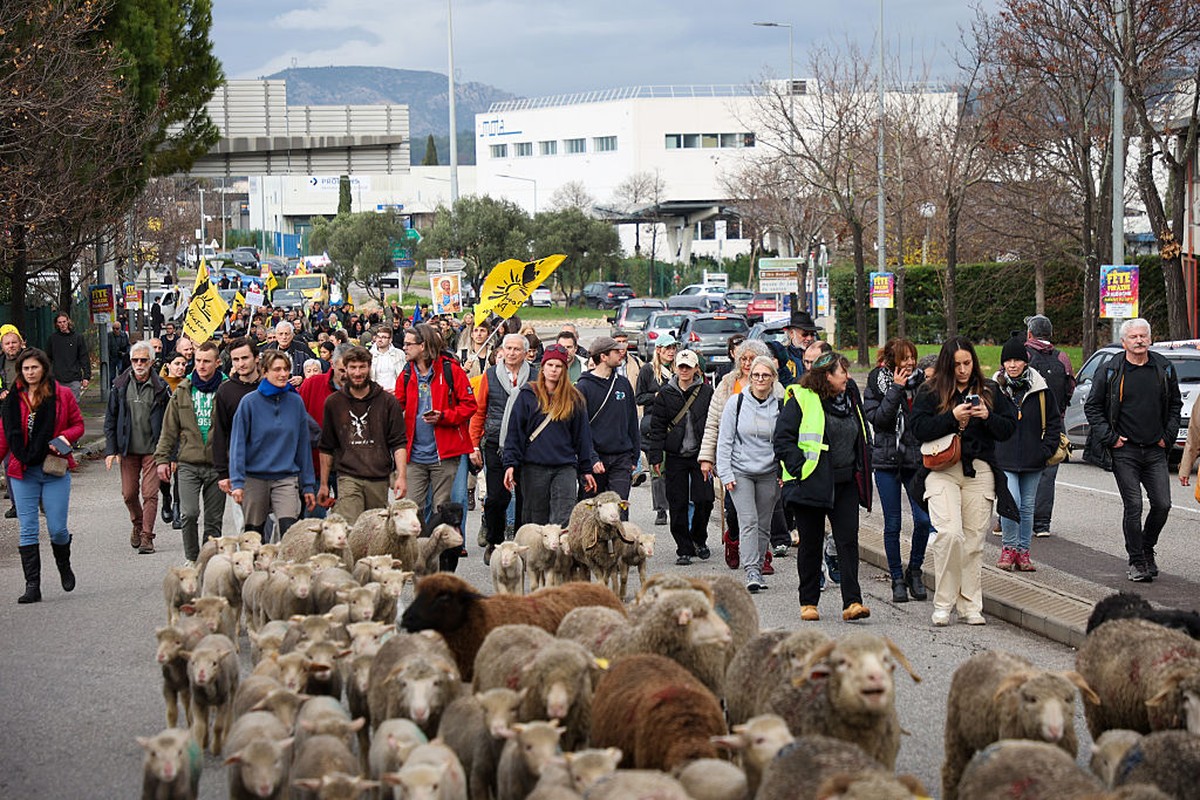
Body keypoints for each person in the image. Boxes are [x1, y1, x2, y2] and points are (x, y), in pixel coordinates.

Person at [910, 337, 1017, 626]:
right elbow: (917, 429)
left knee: (972, 544)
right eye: (956, 365)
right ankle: (943, 603)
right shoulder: (930, 391)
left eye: (967, 363)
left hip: (979, 472)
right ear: (947, 364)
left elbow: (1008, 429)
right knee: (950, 534)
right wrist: (951, 417)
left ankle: (970, 606)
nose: (962, 370)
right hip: (941, 469)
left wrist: (987, 416)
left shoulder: (990, 390)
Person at [774, 351, 872, 622]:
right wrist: (799, 470)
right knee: (811, 543)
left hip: (845, 483)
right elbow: (782, 439)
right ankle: (808, 601)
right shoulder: (802, 397)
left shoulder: (850, 395)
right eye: (843, 372)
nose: (848, 377)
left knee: (847, 541)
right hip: (811, 482)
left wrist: (864, 463)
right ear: (827, 376)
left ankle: (853, 602)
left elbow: (862, 431)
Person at [1084, 318, 1181, 582]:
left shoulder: (1164, 368)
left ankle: (1147, 548)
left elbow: (1175, 405)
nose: (1139, 341)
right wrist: (1111, 438)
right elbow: (1092, 407)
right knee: (1134, 505)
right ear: (1124, 342)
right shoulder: (1111, 370)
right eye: (1134, 337)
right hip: (1124, 451)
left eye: (1143, 336)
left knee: (1163, 504)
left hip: (1155, 450)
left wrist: (1167, 436)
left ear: (1150, 339)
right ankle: (1137, 561)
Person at [0, 348, 84, 603]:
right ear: (20, 371)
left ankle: (64, 565)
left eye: (34, 368)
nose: (30, 372)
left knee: (57, 529)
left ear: (44, 368)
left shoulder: (62, 395)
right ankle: (32, 586)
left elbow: (78, 425)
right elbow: (4, 435)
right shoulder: (13, 398)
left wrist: (64, 437)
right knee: (28, 529)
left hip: (53, 467)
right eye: (25, 369)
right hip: (22, 470)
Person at [863, 338, 932, 603]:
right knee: (893, 523)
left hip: (915, 461)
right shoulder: (876, 382)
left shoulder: (923, 385)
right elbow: (880, 419)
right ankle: (897, 578)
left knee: (924, 521)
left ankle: (915, 570)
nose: (910, 363)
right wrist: (896, 389)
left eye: (912, 357)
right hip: (887, 460)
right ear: (892, 361)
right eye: (904, 358)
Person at [502, 344, 596, 527]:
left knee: (563, 521)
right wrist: (510, 464)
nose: (554, 370)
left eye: (558, 366)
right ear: (542, 367)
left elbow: (582, 437)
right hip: (534, 467)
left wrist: (586, 468)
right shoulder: (527, 395)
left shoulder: (574, 398)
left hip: (564, 466)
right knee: (535, 522)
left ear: (564, 370)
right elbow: (514, 434)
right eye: (550, 365)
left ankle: (560, 556)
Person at [229, 350, 317, 538]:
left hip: (286, 477)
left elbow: (303, 446)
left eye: (286, 369)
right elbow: (238, 445)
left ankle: (284, 567)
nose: (283, 374)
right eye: (277, 369)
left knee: (289, 533)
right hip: (255, 478)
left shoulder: (295, 402)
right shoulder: (249, 403)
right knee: (254, 535)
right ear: (265, 372)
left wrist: (308, 484)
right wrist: (237, 481)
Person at [993, 335, 1062, 573]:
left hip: (1034, 459)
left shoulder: (1041, 389)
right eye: (1008, 361)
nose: (1012, 365)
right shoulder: (995, 389)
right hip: (1004, 457)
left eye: (1017, 360)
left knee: (1027, 507)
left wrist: (1044, 450)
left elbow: (1054, 423)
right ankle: (1008, 548)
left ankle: (1023, 552)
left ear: (1026, 362)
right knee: (1012, 502)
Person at [395, 323, 476, 526]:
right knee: (412, 508)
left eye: (408, 344)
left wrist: (444, 416)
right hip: (414, 454)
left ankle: (439, 554)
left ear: (422, 346)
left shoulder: (451, 370)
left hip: (445, 454)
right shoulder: (406, 374)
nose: (404, 347)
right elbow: (397, 405)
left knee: (442, 508)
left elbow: (470, 405)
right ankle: (417, 552)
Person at [153, 340, 226, 562]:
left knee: (213, 519)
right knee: (189, 513)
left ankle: (208, 560)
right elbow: (169, 428)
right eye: (197, 361)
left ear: (217, 362)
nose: (201, 366)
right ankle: (193, 558)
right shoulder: (183, 389)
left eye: (206, 361)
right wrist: (162, 459)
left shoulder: (226, 389)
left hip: (217, 464)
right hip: (188, 463)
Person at [318, 346, 408, 524]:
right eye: (353, 367)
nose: (357, 372)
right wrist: (323, 484)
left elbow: (398, 443)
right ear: (345, 368)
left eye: (362, 367)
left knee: (375, 532)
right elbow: (326, 447)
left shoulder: (388, 402)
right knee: (350, 530)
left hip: (378, 477)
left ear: (369, 367)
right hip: (348, 476)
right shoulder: (334, 403)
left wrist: (401, 477)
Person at [716, 355, 783, 593]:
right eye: (756, 375)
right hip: (740, 471)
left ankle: (760, 563)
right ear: (750, 377)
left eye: (765, 375)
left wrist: (783, 471)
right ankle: (752, 570)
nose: (760, 379)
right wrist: (725, 473)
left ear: (773, 378)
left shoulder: (780, 404)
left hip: (769, 472)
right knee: (749, 521)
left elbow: (784, 441)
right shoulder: (737, 402)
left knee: (764, 524)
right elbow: (724, 441)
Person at [471, 334, 537, 560]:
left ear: (526, 352)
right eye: (507, 348)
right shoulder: (490, 375)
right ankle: (495, 540)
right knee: (496, 497)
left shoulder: (535, 375)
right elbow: (479, 411)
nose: (511, 353)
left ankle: (520, 543)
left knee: (524, 496)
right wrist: (474, 445)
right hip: (496, 443)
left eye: (516, 349)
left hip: (527, 445)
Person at [646, 349, 714, 566]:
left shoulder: (706, 392)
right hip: (675, 455)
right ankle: (683, 547)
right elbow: (656, 428)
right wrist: (655, 458)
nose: (684, 370)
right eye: (680, 366)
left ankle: (699, 539)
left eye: (688, 366)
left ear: (696, 369)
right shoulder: (665, 394)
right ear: (675, 368)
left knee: (705, 500)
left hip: (700, 455)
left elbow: (714, 425)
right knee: (677, 503)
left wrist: (712, 456)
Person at [104, 340, 171, 554]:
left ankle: (147, 536)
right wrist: (111, 450)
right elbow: (110, 419)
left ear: (151, 361)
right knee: (128, 494)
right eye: (135, 360)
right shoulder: (120, 385)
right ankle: (137, 523)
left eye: (143, 360)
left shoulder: (162, 388)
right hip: (128, 450)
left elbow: (171, 422)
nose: (139, 363)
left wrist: (171, 454)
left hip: (153, 450)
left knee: (150, 494)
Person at [1023, 314, 1076, 538]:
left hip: (1026, 423)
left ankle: (1018, 518)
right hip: (1055, 423)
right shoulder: (1062, 357)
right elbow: (1070, 387)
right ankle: (1042, 524)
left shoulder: (1023, 354)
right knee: (1048, 474)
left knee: (1021, 470)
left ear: (1029, 334)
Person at [577, 336, 640, 505]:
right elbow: (580, 429)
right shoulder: (583, 387)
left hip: (622, 458)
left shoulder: (623, 384)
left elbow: (632, 421)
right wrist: (592, 458)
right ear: (603, 357)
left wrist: (635, 457)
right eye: (615, 351)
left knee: (618, 511)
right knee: (591, 512)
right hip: (595, 460)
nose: (621, 353)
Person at [211, 337, 259, 532]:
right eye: (236, 359)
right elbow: (220, 433)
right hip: (239, 467)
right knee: (244, 526)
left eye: (245, 358)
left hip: (272, 466)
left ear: (256, 358)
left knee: (273, 527)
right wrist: (223, 472)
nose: (240, 363)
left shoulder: (269, 387)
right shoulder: (225, 391)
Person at [636, 333, 677, 526]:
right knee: (657, 468)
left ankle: (676, 503)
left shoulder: (681, 369)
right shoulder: (648, 370)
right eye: (667, 348)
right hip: (655, 425)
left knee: (675, 468)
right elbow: (639, 397)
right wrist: (657, 396)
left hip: (676, 425)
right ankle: (661, 509)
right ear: (658, 350)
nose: (671, 352)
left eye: (673, 348)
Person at [46, 312, 91, 400]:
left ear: (68, 322)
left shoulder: (77, 338)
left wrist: (86, 376)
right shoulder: (52, 339)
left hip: (73, 378)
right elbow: (48, 358)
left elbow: (84, 357)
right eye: (60, 322)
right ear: (56, 324)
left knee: (73, 406)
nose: (62, 324)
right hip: (57, 378)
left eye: (64, 322)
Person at [779, 310, 820, 384]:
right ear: (791, 334)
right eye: (805, 334)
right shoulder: (784, 358)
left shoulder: (821, 354)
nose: (809, 338)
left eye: (812, 334)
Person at [269, 321, 313, 386]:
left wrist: (302, 378)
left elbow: (315, 366)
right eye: (281, 334)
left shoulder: (302, 348)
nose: (284, 337)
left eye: (287, 334)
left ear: (292, 335)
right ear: (276, 335)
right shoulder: (267, 350)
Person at [369, 325, 406, 395]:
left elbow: (403, 375)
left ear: (390, 340)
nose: (380, 339)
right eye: (378, 337)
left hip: (395, 393)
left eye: (384, 337)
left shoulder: (399, 354)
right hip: (376, 394)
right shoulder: (369, 355)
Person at [108, 321, 131, 386]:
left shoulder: (124, 335)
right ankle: (112, 387)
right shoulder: (109, 335)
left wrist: (126, 353)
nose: (115, 330)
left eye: (117, 328)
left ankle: (121, 386)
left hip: (121, 357)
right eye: (114, 328)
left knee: (121, 371)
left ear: (120, 328)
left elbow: (128, 345)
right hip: (112, 357)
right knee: (111, 375)